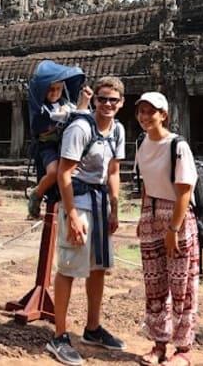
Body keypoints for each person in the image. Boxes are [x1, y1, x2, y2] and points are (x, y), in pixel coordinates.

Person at [46, 76, 126, 366]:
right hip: (78, 202)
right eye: (102, 99)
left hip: (101, 203)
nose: (107, 104)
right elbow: (64, 174)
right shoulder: (80, 127)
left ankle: (93, 328)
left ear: (121, 103)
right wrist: (72, 216)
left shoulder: (117, 129)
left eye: (113, 100)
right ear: (94, 100)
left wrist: (115, 208)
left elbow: (114, 171)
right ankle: (59, 336)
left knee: (98, 268)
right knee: (69, 267)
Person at [133, 92, 200, 366]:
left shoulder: (178, 145)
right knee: (155, 283)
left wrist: (173, 227)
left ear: (164, 114)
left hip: (178, 216)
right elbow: (146, 184)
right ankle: (159, 343)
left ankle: (183, 349)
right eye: (141, 112)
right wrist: (142, 216)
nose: (145, 117)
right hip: (151, 213)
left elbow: (185, 190)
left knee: (182, 284)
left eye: (151, 111)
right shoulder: (141, 143)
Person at [27, 80, 93, 219]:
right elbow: (48, 121)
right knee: (54, 173)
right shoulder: (41, 107)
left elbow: (78, 115)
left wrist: (85, 100)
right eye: (51, 89)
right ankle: (37, 194)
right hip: (48, 147)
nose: (55, 92)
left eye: (58, 89)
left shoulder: (66, 104)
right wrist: (64, 114)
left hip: (66, 146)